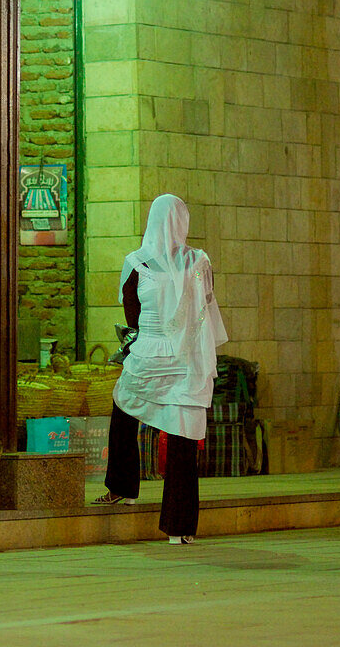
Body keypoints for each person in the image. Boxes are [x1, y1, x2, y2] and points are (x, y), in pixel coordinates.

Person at [94, 194, 227, 545]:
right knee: (183, 436)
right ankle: (180, 527)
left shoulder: (136, 262)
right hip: (189, 360)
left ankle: (122, 486)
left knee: (124, 407)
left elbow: (131, 312)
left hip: (149, 354)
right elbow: (208, 303)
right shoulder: (199, 261)